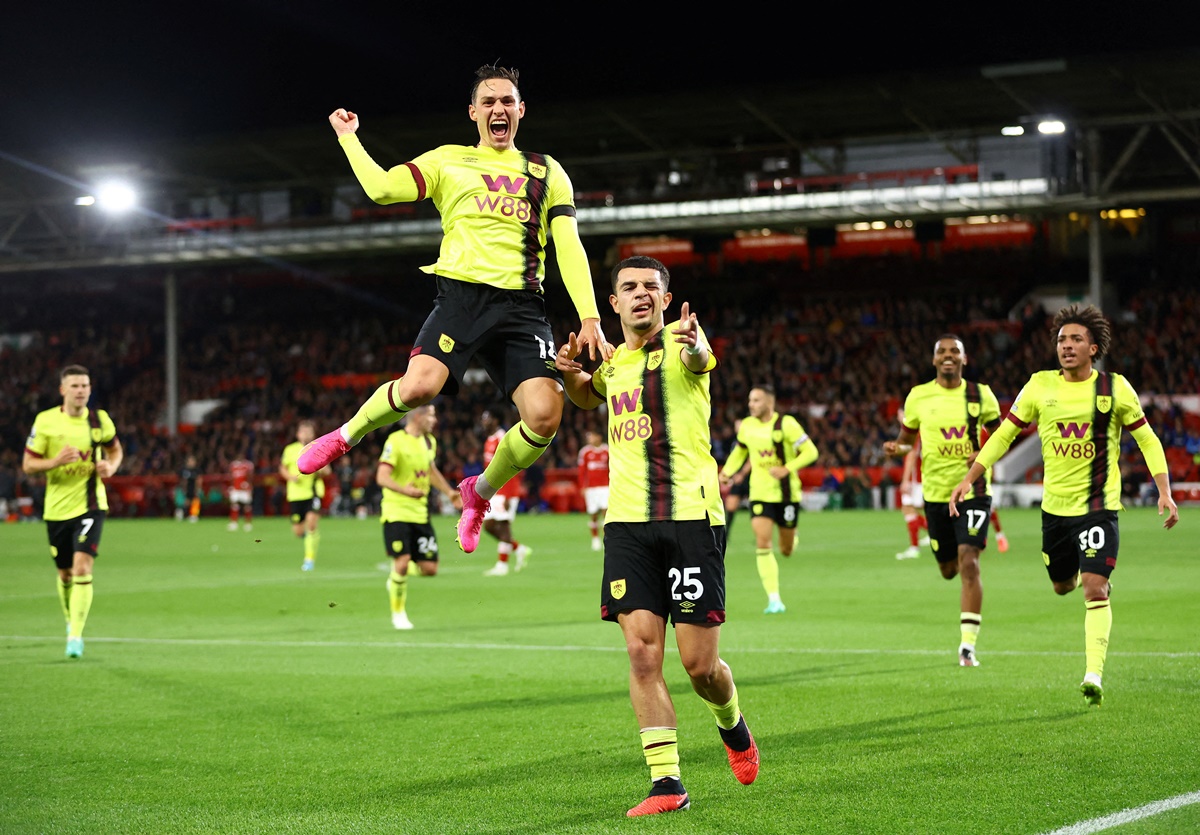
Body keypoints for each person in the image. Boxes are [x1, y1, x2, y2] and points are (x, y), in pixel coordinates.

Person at [300, 64, 613, 559]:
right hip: (462, 298)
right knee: (419, 384)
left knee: (546, 415)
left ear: (521, 110)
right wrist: (348, 138)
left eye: (508, 101)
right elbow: (381, 189)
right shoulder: (449, 160)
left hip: (522, 307)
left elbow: (570, 245)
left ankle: (479, 492)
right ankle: (345, 435)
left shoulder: (547, 171)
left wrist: (590, 316)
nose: (498, 109)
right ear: (473, 112)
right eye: (488, 102)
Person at [556, 255, 758, 817]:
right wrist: (568, 371)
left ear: (666, 300)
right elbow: (585, 396)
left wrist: (692, 340)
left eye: (651, 286)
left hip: (692, 518)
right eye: (628, 287)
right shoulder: (614, 363)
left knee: (700, 668)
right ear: (613, 303)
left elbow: (699, 357)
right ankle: (666, 784)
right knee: (642, 654)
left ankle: (732, 723)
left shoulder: (686, 343)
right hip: (626, 524)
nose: (640, 294)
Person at [949, 304, 1179, 705]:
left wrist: (1164, 490)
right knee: (1062, 586)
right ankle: (1084, 571)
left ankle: (1093, 674)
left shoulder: (1115, 389)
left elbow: (1147, 439)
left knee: (1095, 588)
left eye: (1075, 339)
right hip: (1055, 510)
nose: (1066, 346)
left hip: (1098, 505)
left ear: (1093, 348)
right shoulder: (1039, 386)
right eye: (1061, 340)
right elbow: (1004, 435)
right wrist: (970, 477)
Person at [884, 335, 1002, 667]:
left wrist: (983, 453)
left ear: (964, 359)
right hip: (934, 495)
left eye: (954, 351)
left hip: (973, 491)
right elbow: (907, 441)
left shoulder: (982, 395)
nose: (948, 356)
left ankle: (967, 646)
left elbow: (1001, 436)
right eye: (942, 352)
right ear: (934, 360)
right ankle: (951, 569)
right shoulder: (919, 396)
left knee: (969, 561)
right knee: (949, 569)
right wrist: (897, 449)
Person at [22, 364, 123, 659]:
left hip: (91, 505)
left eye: (85, 385)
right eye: (75, 386)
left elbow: (115, 450)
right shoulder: (46, 422)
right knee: (65, 574)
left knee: (82, 567)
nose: (81, 391)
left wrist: (111, 467)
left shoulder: (99, 420)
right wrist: (55, 461)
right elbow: (28, 465)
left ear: (90, 389)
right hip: (56, 509)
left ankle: (75, 636)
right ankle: (71, 621)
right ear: (63, 390)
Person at [719, 384, 819, 615]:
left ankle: (791, 538)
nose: (751, 404)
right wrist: (728, 471)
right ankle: (774, 599)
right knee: (763, 542)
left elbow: (811, 452)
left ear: (769, 403)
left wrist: (787, 468)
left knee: (785, 549)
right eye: (750, 400)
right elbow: (740, 452)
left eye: (756, 400)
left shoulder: (787, 424)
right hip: (760, 493)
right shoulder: (747, 426)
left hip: (786, 494)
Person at [376, 405, 461, 629]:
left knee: (430, 569)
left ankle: (396, 576)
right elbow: (382, 477)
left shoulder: (429, 442)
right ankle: (398, 614)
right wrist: (406, 491)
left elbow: (431, 470)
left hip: (420, 514)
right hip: (396, 511)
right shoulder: (395, 441)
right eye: (431, 415)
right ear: (417, 416)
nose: (434, 420)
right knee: (402, 562)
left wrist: (449, 492)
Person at [479, 409, 532, 576]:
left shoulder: (503, 438)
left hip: (505, 491)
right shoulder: (489, 440)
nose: (484, 422)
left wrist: (509, 494)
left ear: (495, 420)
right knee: (489, 526)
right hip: (494, 491)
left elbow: (513, 466)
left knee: (503, 526)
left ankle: (502, 565)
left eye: (487, 418)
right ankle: (519, 548)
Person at [279, 421, 328, 571]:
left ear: (313, 434)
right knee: (298, 531)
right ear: (298, 434)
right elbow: (282, 467)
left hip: (313, 492)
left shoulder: (318, 447)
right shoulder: (290, 449)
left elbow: (328, 471)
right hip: (295, 494)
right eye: (303, 432)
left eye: (309, 432)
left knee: (312, 524)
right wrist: (290, 477)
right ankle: (309, 539)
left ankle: (309, 559)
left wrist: (318, 469)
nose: (306, 435)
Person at [894, 442, 930, 559]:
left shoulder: (913, 431)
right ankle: (936, 534)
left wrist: (905, 480)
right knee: (912, 510)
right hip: (920, 477)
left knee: (908, 510)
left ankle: (915, 548)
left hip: (914, 479)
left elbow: (911, 455)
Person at [578, 428, 610, 551]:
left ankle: (605, 539)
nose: (589, 439)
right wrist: (582, 486)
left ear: (599, 437)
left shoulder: (607, 450)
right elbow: (581, 471)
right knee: (593, 514)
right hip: (591, 489)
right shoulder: (585, 452)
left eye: (591, 436)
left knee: (606, 513)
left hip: (605, 487)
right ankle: (595, 538)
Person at [227, 454, 255, 531]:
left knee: (247, 506)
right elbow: (231, 477)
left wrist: (250, 487)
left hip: (245, 489)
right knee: (234, 505)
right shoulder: (233, 465)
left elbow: (250, 477)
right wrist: (231, 487)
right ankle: (234, 523)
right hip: (236, 488)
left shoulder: (248, 465)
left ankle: (248, 524)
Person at [176, 454, 201, 523]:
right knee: (186, 502)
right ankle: (180, 513)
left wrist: (198, 488)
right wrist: (183, 489)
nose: (192, 462)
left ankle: (194, 515)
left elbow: (198, 479)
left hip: (193, 488)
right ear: (187, 462)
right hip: (185, 489)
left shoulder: (196, 470)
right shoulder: (183, 470)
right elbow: (181, 480)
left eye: (193, 461)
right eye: (190, 461)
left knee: (195, 501)